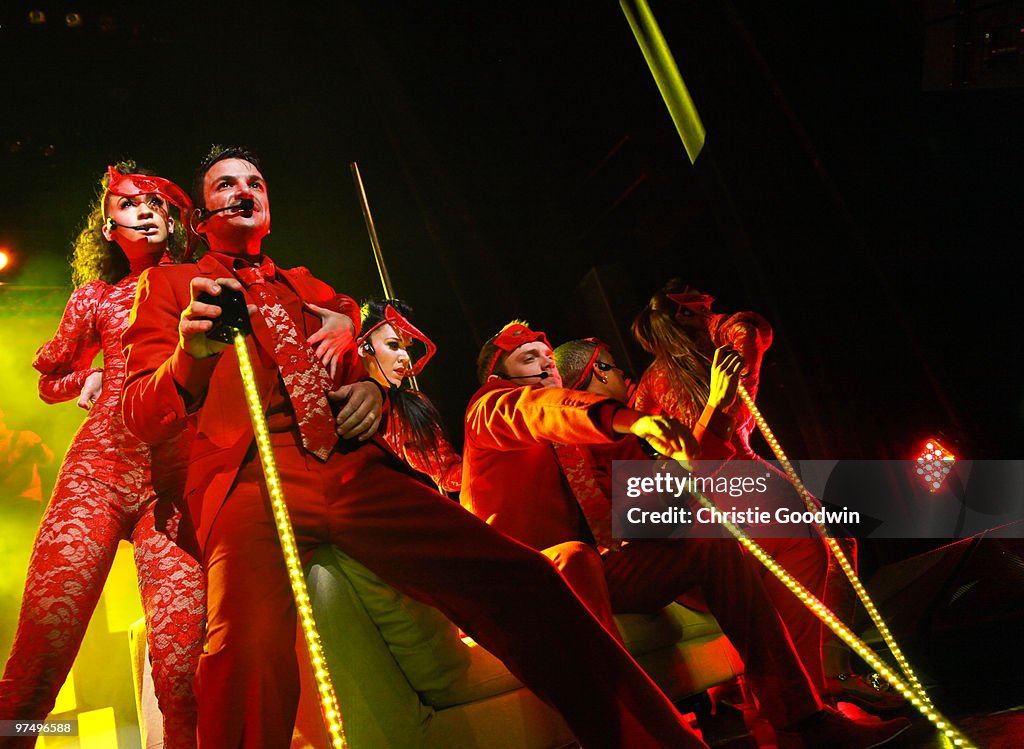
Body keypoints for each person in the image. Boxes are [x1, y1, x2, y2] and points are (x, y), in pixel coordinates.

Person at [120, 145, 712, 749]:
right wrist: (189, 357)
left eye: (256, 182)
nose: (244, 191)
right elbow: (140, 416)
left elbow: (363, 359)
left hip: (353, 472)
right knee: (242, 647)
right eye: (225, 185)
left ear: (269, 207)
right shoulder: (169, 286)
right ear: (198, 218)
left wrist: (370, 390)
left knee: (524, 579)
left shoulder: (309, 287)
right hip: (250, 483)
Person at [461, 321, 911, 749]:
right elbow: (537, 412)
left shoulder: (591, 434)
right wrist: (630, 420)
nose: (544, 365)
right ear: (497, 376)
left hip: (597, 568)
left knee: (720, 543)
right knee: (576, 557)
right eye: (527, 359)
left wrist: (712, 409)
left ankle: (804, 721)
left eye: (547, 357)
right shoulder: (491, 409)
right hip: (534, 579)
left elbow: (669, 491)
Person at [0, 164, 206, 748]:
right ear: (107, 225)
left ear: (176, 219)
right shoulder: (96, 297)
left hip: (175, 478)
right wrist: (83, 379)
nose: (145, 211)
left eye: (158, 203)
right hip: (98, 471)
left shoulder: (202, 283)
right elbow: (50, 379)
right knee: (38, 663)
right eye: (129, 203)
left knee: (181, 675)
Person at [631, 280, 904, 710]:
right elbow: (749, 328)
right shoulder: (722, 349)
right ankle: (825, 680)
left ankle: (799, 687)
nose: (711, 311)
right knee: (826, 549)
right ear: (684, 316)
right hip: (737, 474)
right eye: (702, 307)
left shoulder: (647, 384)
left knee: (786, 572)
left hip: (698, 498)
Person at [357, 299, 462, 492]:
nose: (405, 357)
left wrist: (489, 456)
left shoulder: (408, 409)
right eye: (394, 345)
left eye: (407, 348)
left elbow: (447, 473)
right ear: (364, 347)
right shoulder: (333, 387)